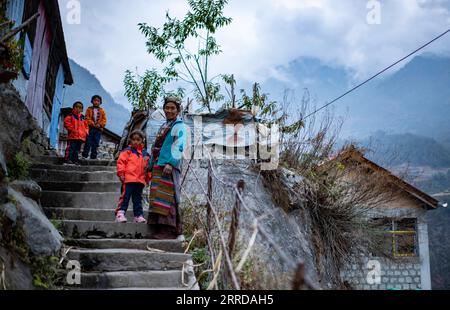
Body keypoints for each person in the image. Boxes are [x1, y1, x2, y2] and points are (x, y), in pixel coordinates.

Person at [148, 97, 187, 240]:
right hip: (159, 165)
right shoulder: (164, 125)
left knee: (168, 196)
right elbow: (156, 146)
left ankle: (170, 231)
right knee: (158, 197)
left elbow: (179, 145)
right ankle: (157, 228)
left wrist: (171, 163)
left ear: (178, 110)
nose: (169, 110)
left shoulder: (179, 125)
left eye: (173, 108)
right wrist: (151, 164)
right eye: (167, 108)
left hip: (168, 166)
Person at [115, 130, 151, 223]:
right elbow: (121, 162)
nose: (135, 141)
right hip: (128, 180)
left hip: (140, 181)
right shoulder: (127, 151)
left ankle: (138, 215)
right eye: (133, 139)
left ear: (142, 141)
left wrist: (147, 178)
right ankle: (120, 214)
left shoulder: (145, 155)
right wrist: (121, 173)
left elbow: (148, 168)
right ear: (130, 140)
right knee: (125, 197)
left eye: (138, 140)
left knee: (138, 199)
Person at [83, 95, 107, 160]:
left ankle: (93, 157)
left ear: (100, 102)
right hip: (90, 128)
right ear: (92, 101)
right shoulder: (89, 109)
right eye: (95, 100)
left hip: (98, 130)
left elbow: (104, 120)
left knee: (96, 143)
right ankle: (84, 156)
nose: (96, 102)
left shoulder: (102, 111)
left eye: (98, 101)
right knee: (88, 142)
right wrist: (92, 123)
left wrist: (100, 124)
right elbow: (86, 118)